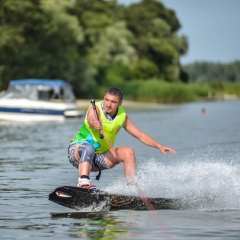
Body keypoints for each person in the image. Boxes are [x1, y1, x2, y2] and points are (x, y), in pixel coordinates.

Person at [68, 87, 176, 189]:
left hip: (99, 158)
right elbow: (91, 120)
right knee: (88, 148)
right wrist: (95, 124)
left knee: (128, 151)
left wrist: (159, 146)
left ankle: (132, 189)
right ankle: (83, 182)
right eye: (106, 100)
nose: (108, 104)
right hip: (78, 153)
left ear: (120, 103)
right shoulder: (94, 109)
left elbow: (140, 135)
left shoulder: (122, 116)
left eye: (113, 102)